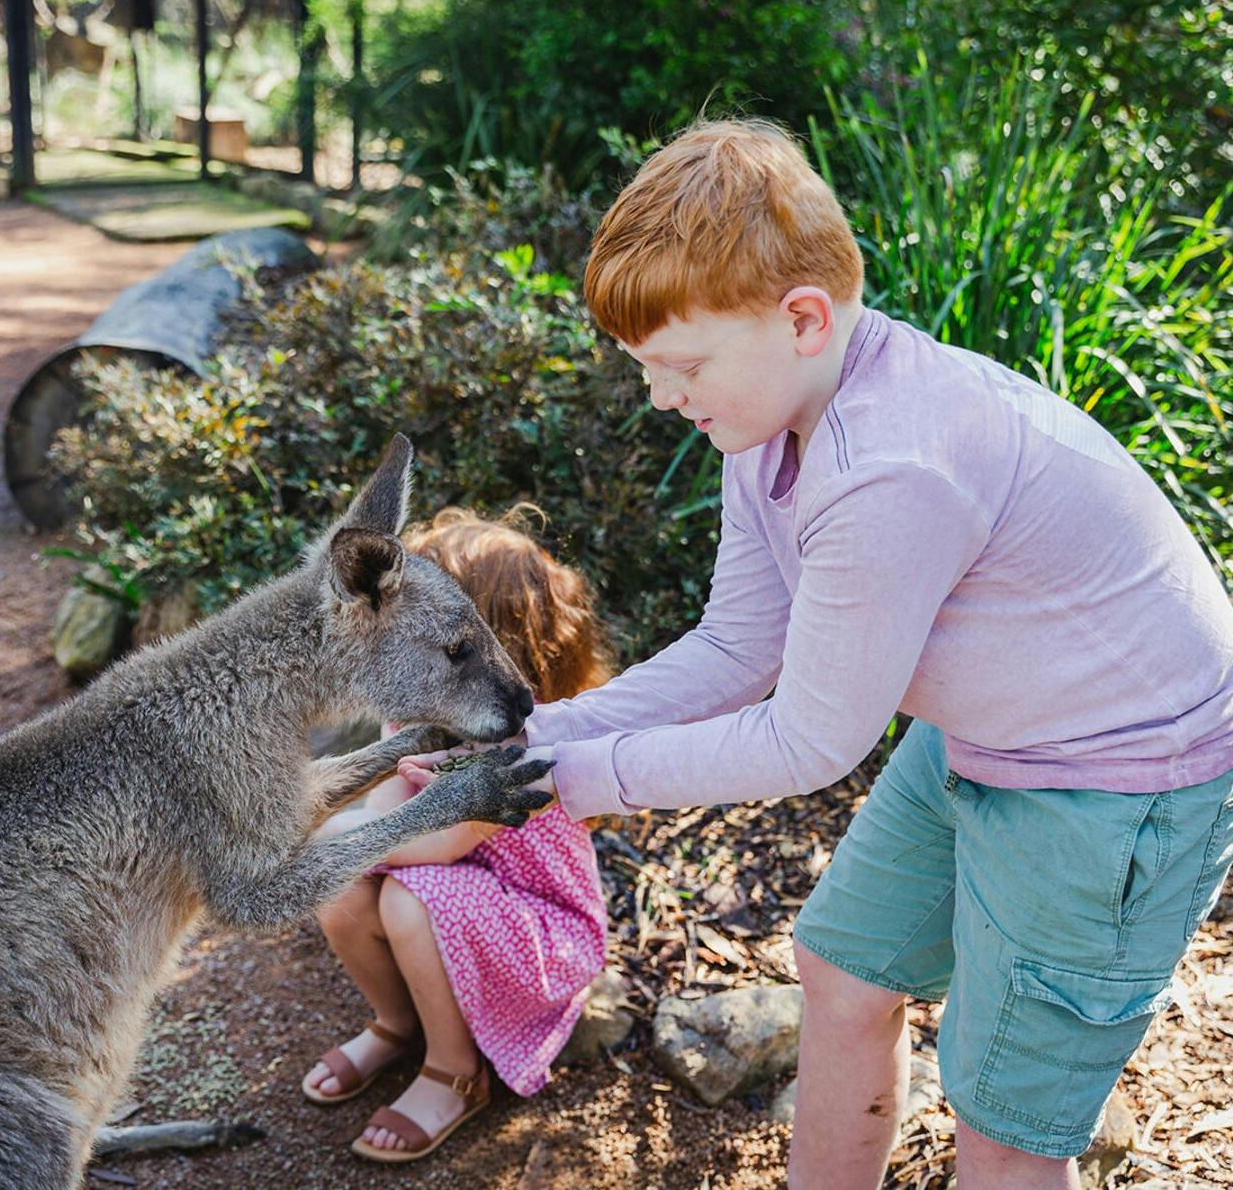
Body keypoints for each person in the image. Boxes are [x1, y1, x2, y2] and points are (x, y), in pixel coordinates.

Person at [400, 120, 1233, 1189]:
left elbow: (809, 740)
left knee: (1005, 1129)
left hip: (1118, 787)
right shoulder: (769, 423)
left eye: (681, 365)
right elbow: (738, 644)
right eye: (647, 369)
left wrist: (553, 783)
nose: (661, 395)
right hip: (993, 733)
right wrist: (538, 738)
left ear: (801, 318)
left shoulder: (888, 470)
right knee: (840, 970)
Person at [303, 506, 611, 1163]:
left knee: (407, 900)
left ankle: (453, 1070)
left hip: (542, 929)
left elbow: (439, 842)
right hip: (458, 897)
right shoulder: (421, 716)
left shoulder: (523, 750)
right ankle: (397, 1023)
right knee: (343, 890)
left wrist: (331, 837)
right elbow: (388, 815)